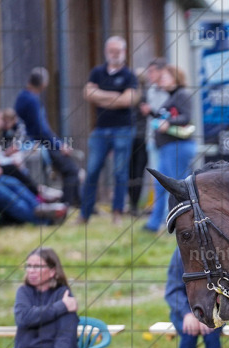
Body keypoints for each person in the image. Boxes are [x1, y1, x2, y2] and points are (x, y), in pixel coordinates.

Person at [80, 36, 138, 225]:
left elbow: (128, 100)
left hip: (123, 129)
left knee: (120, 173)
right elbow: (88, 94)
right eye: (111, 51)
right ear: (106, 52)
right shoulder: (97, 72)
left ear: (124, 52)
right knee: (92, 171)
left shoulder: (129, 75)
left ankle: (117, 214)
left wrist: (101, 97)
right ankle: (84, 214)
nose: (114, 55)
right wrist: (114, 95)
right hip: (100, 130)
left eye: (118, 51)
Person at [165, 249, 229, 348]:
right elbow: (173, 291)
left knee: (212, 334)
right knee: (189, 333)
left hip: (213, 311)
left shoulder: (218, 252)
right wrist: (187, 314)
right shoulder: (180, 253)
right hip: (185, 312)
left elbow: (225, 289)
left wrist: (210, 313)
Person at [14, 67, 82, 207]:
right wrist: (59, 145)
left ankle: (81, 203)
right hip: (39, 144)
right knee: (71, 170)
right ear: (44, 84)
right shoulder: (32, 100)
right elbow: (42, 129)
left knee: (71, 170)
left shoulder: (22, 97)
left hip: (31, 143)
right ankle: (66, 205)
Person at [144, 65, 197, 233]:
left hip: (178, 147)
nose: (162, 80)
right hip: (168, 148)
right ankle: (154, 223)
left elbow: (186, 117)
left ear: (175, 78)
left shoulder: (182, 94)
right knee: (160, 186)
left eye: (165, 77)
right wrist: (152, 114)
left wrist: (168, 123)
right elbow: (167, 117)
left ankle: (181, 225)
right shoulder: (171, 96)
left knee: (177, 188)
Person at [129, 58, 167, 215]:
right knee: (153, 177)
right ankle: (155, 211)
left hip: (158, 140)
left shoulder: (162, 92)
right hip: (148, 139)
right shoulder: (149, 92)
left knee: (162, 176)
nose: (150, 75)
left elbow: (163, 114)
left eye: (152, 71)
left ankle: (161, 211)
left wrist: (150, 111)